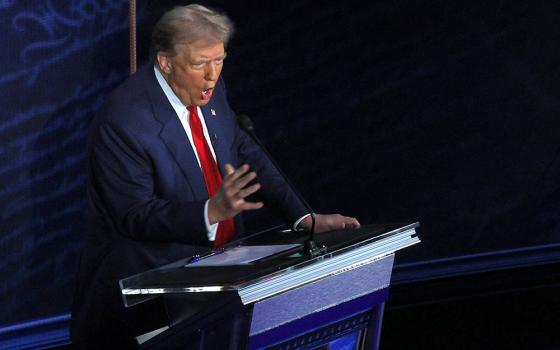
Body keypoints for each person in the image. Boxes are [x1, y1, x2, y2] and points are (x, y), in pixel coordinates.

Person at [70, 4, 360, 348]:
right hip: (148, 297)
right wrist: (210, 212)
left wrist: (303, 217)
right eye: (199, 64)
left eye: (219, 60)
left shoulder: (209, 91)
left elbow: (243, 149)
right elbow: (134, 215)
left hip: (221, 283)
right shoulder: (123, 121)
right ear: (165, 62)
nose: (212, 75)